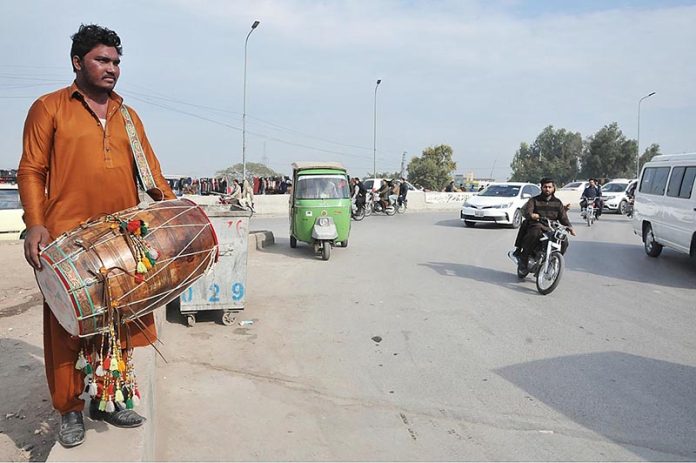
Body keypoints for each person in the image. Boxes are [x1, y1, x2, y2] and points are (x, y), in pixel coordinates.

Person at [17, 24, 176, 448]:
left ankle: (109, 399)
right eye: (102, 60)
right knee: (67, 327)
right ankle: (69, 409)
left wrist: (174, 215)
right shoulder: (49, 108)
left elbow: (153, 175)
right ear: (77, 62)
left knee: (119, 320)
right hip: (67, 240)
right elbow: (31, 170)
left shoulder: (128, 115)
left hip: (122, 238)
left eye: (116, 62)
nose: (112, 69)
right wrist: (35, 222)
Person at [516, 178, 576, 273]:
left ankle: (554, 260)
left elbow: (563, 217)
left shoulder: (557, 202)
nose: (547, 189)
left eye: (549, 187)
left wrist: (570, 227)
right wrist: (532, 215)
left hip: (551, 227)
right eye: (545, 187)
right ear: (541, 188)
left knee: (564, 241)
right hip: (537, 224)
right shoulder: (534, 200)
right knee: (535, 232)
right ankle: (524, 259)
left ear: (553, 188)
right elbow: (528, 212)